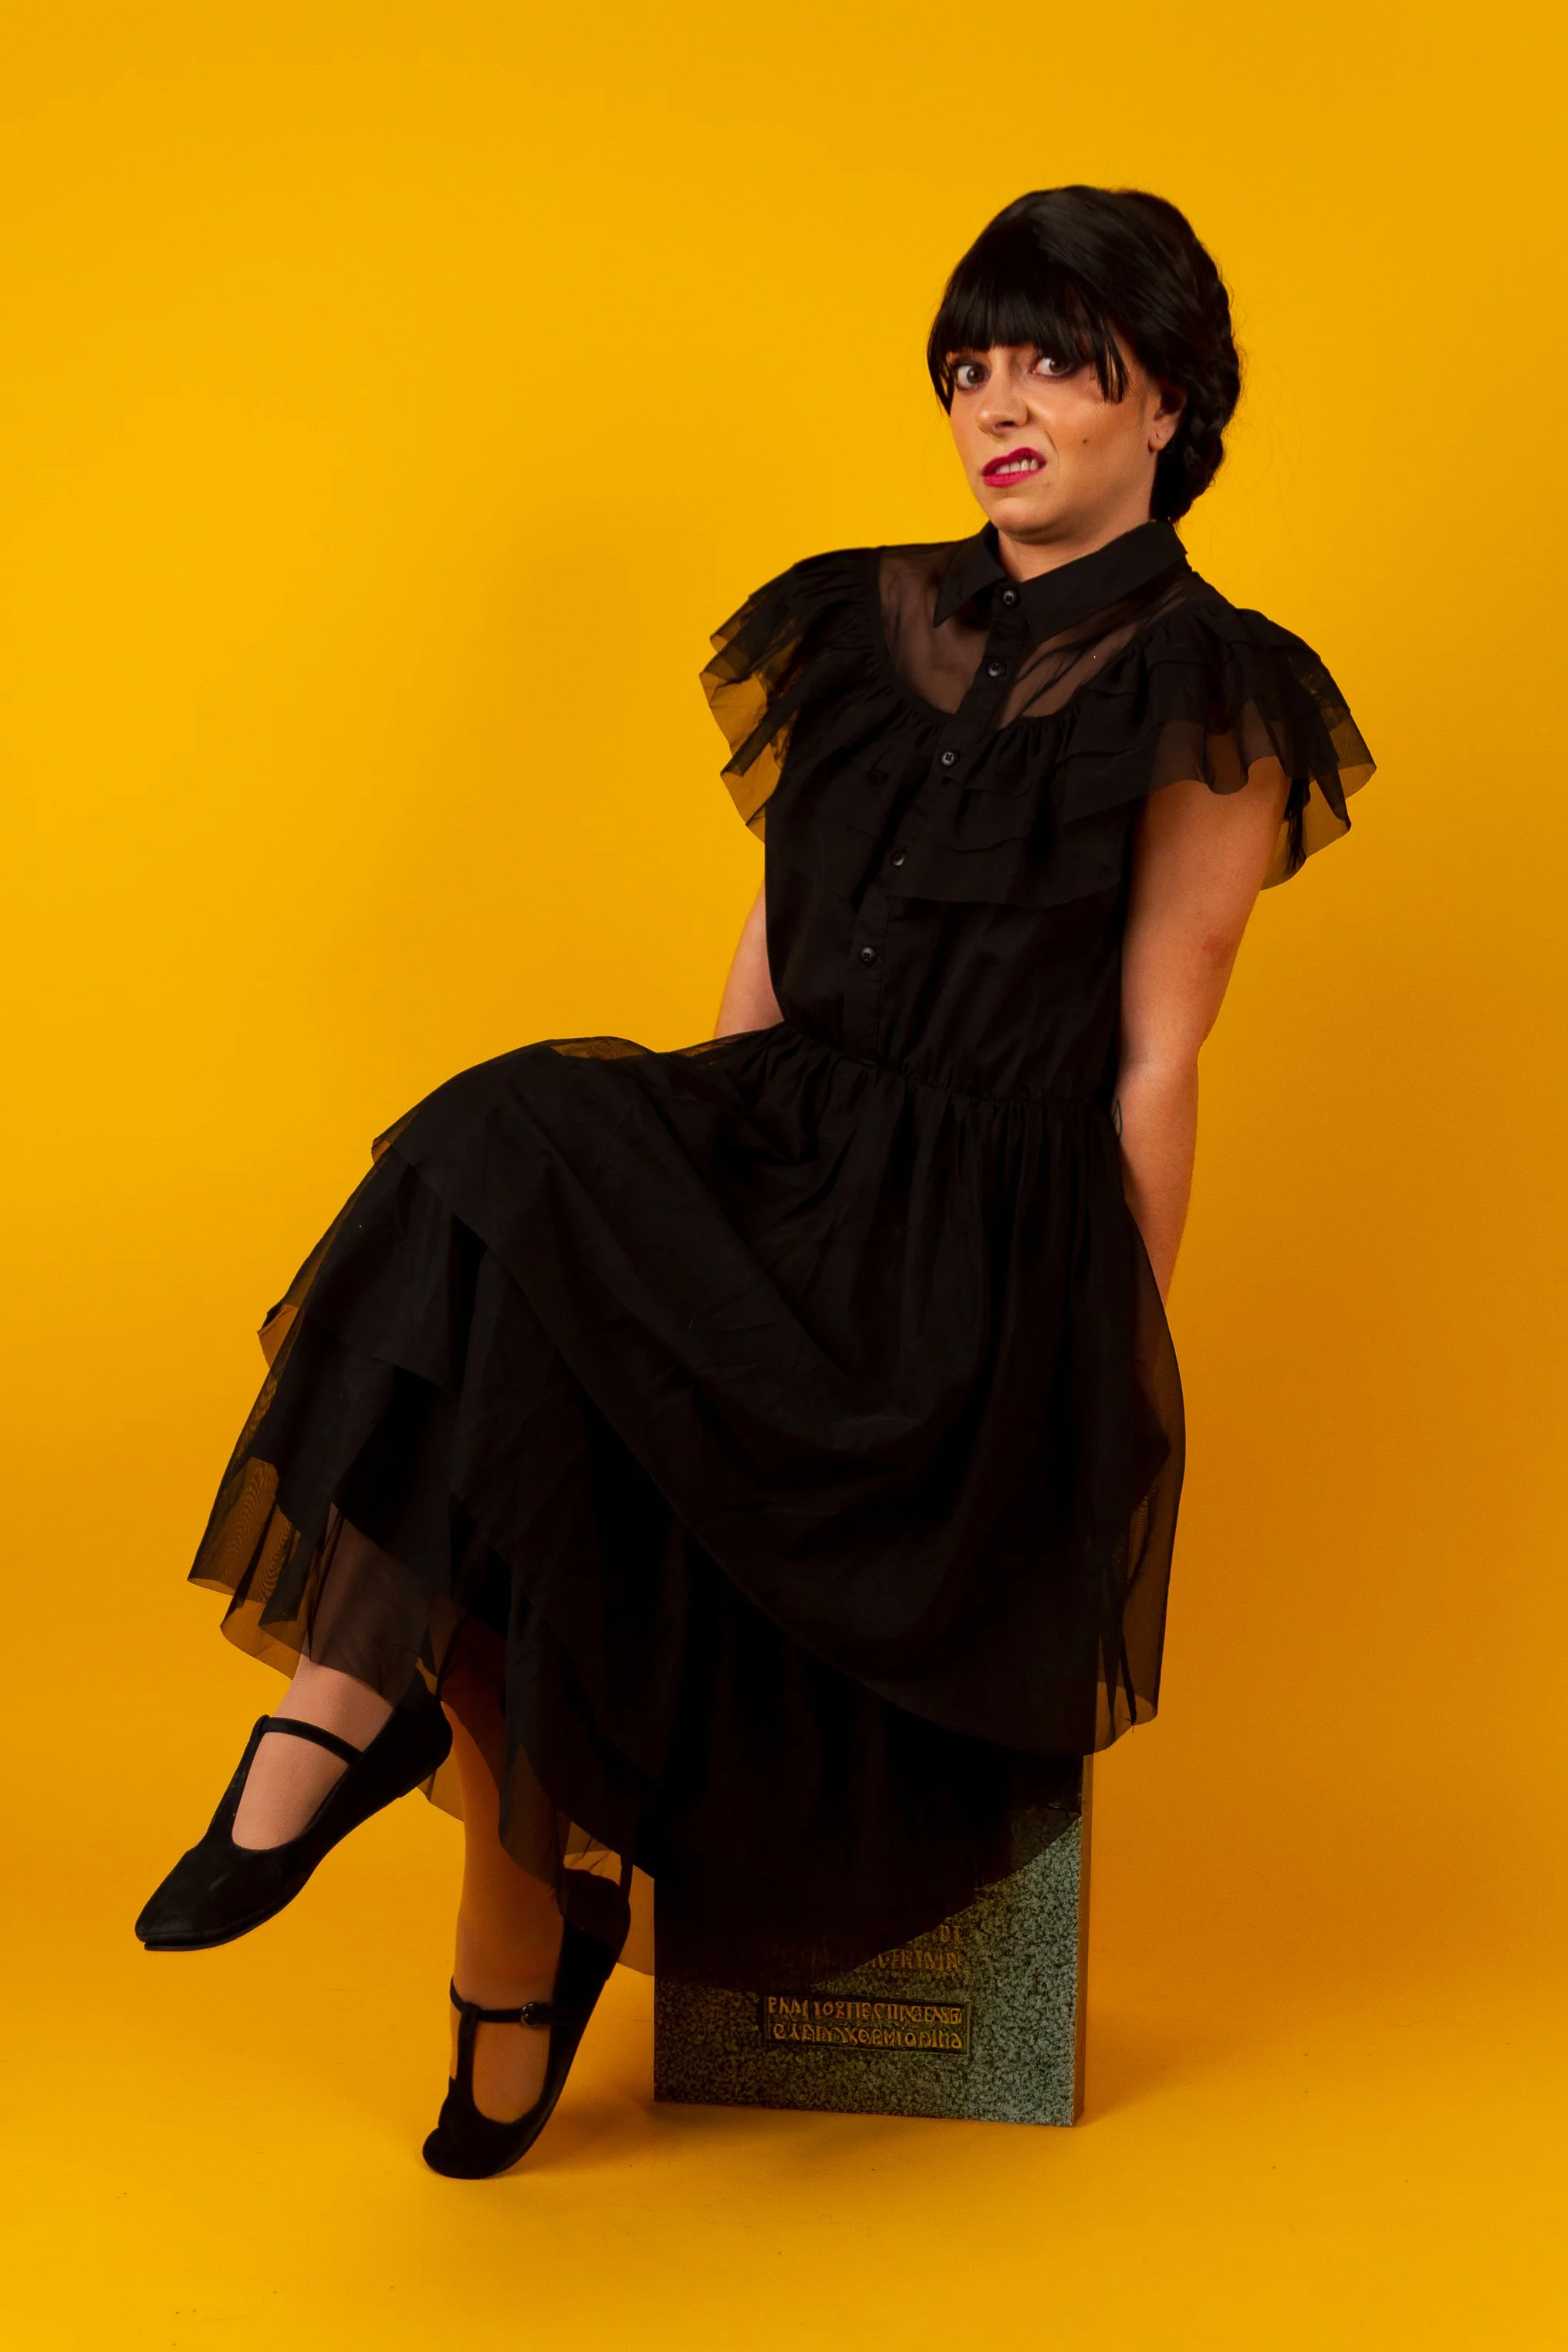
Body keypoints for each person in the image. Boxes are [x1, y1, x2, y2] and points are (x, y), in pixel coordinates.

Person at [137, 184, 1373, 2178]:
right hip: (787, 1139)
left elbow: (1160, 1051)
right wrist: (680, 1225)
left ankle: (505, 1920)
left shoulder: (1214, 692)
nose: (1002, 408)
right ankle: (377, 1723)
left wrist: (1109, 1386)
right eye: (971, 369)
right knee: (507, 1206)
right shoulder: (849, 616)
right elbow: (771, 959)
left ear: (1171, 405)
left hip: (975, 1248)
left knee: (523, 1298)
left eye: (1058, 363)